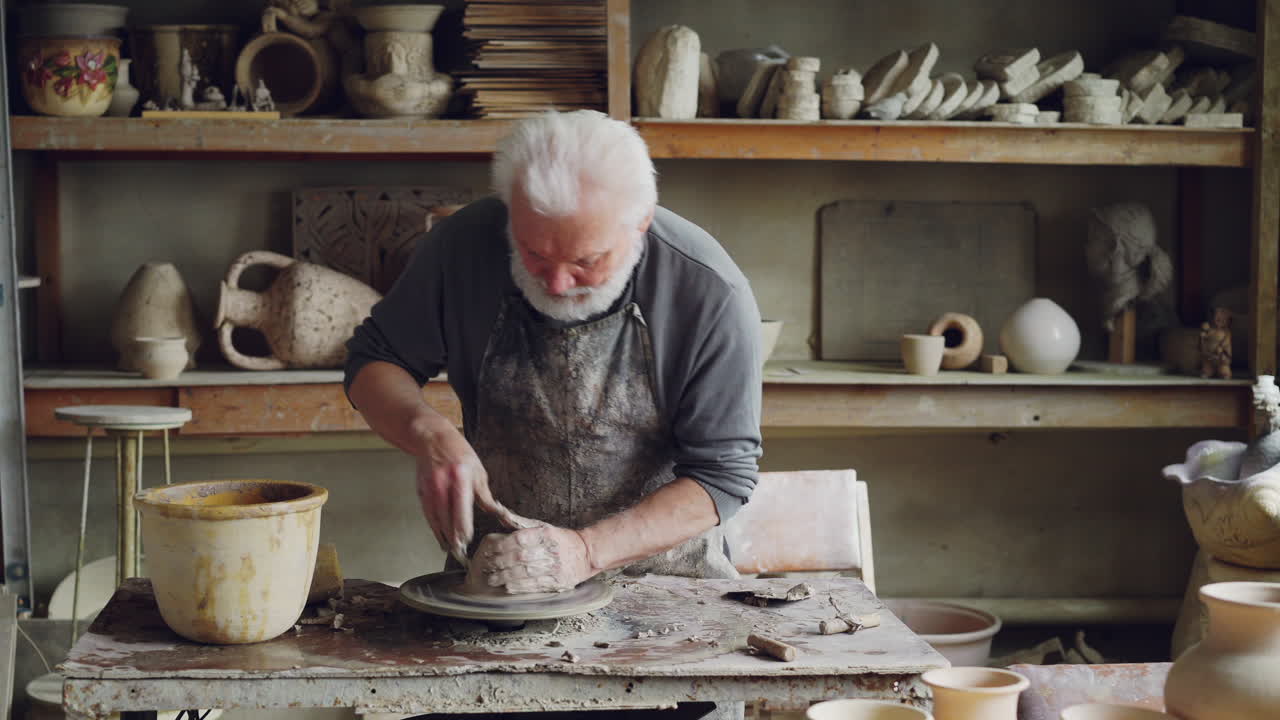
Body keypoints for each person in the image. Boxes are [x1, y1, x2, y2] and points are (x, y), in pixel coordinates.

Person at [344, 109, 762, 598]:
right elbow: (375, 359)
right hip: (504, 584)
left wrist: (584, 552)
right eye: (534, 254)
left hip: (668, 590)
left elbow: (723, 476)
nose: (558, 283)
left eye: (587, 262)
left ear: (641, 223)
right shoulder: (463, 247)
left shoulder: (708, 290)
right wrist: (428, 432)